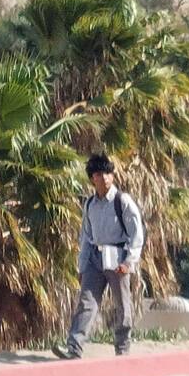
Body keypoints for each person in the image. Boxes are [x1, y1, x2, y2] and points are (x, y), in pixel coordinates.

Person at [53, 154, 145, 359]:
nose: (103, 177)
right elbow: (86, 236)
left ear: (112, 175)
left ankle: (122, 349)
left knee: (122, 305)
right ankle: (74, 348)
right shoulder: (90, 204)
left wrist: (128, 262)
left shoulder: (122, 201)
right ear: (92, 178)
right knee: (86, 302)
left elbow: (136, 234)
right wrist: (82, 266)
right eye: (98, 174)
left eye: (107, 173)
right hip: (95, 258)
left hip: (118, 257)